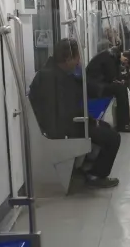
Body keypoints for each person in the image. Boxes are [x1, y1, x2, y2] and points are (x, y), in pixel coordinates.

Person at [29, 39, 121, 189]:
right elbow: (60, 114)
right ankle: (96, 175)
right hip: (59, 128)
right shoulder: (50, 79)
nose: (78, 63)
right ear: (67, 59)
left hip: (67, 121)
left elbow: (77, 91)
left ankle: (87, 169)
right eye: (77, 59)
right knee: (113, 137)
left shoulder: (57, 72)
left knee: (106, 128)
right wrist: (88, 121)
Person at [86, 46, 130, 133]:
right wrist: (120, 80)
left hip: (97, 84)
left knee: (121, 87)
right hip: (95, 87)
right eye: (126, 65)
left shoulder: (112, 56)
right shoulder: (110, 58)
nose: (124, 66)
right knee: (120, 89)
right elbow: (111, 77)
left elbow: (113, 77)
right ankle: (123, 125)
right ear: (125, 60)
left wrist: (120, 79)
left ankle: (126, 121)